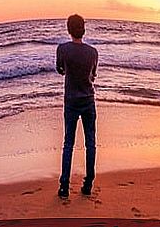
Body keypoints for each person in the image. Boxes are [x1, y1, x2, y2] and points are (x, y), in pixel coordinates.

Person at [55, 14, 98, 198]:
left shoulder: (63, 49)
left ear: (68, 29)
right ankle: (88, 183)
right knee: (90, 143)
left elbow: (60, 69)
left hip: (71, 101)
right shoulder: (92, 52)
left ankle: (64, 186)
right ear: (84, 29)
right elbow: (93, 74)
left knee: (68, 143)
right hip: (88, 100)